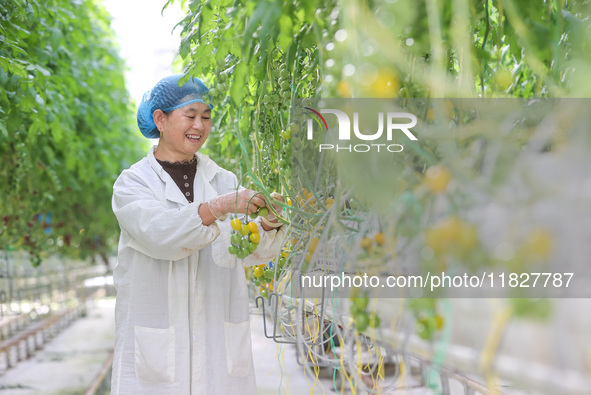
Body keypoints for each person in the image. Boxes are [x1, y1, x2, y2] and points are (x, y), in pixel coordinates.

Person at [110, 74, 286, 394]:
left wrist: (269, 224)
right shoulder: (133, 183)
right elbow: (160, 235)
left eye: (206, 116)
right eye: (190, 115)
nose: (200, 125)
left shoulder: (223, 179)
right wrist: (219, 206)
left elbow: (244, 248)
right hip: (157, 352)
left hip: (217, 349)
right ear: (159, 119)